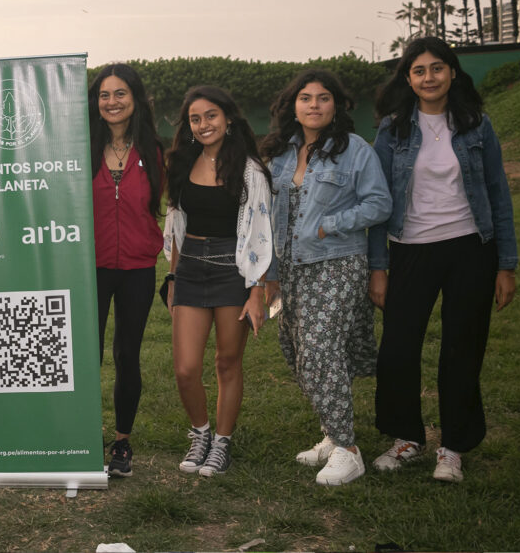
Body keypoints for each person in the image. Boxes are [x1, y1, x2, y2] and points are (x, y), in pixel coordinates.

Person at [368, 37, 518, 483]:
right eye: (419, 70)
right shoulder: (391, 129)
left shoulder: (477, 125)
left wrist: (505, 264)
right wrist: (379, 266)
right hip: (411, 248)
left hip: (472, 248)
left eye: (437, 68)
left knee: (462, 347)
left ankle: (453, 446)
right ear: (408, 79)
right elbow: (379, 202)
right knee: (397, 348)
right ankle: (406, 438)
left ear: (452, 72)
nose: (428, 77)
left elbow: (498, 193)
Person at [261, 69, 391, 486]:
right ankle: (333, 435)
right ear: (292, 106)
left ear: (336, 105)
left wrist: (331, 223)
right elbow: (270, 218)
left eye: (322, 97)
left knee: (318, 349)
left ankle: (349, 450)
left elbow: (380, 203)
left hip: (336, 261)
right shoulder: (281, 153)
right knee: (296, 350)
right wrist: (272, 274)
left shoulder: (354, 149)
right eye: (305, 97)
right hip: (292, 268)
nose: (313, 104)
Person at [164, 86, 272, 477]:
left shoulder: (249, 170)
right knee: (186, 369)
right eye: (196, 118)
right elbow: (177, 226)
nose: (204, 124)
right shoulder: (182, 164)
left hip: (234, 272)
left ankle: (221, 443)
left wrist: (256, 291)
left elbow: (261, 232)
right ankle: (201, 433)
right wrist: (174, 276)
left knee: (227, 362)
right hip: (191, 270)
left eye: (211, 115)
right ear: (189, 126)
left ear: (228, 119)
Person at [88, 63, 165, 478]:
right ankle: (81, 438)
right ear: (95, 102)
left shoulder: (153, 150)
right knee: (87, 355)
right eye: (104, 94)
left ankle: (121, 443)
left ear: (134, 98)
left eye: (120, 93)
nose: (112, 101)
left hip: (138, 267)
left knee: (126, 354)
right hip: (91, 267)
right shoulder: (81, 147)